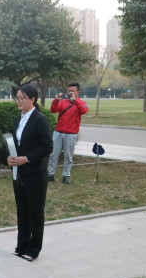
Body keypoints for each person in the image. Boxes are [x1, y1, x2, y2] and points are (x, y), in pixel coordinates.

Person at [7, 84, 53, 262]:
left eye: (22, 98)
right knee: (22, 211)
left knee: (35, 212)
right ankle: (21, 246)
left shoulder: (39, 120)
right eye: (17, 98)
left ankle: (33, 250)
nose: (18, 101)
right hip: (19, 173)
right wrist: (11, 158)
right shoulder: (17, 119)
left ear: (32, 99)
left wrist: (26, 159)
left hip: (35, 173)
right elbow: (16, 144)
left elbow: (47, 147)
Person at [48, 82, 89, 184]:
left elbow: (84, 110)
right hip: (58, 132)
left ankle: (66, 175)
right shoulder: (63, 101)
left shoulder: (81, 102)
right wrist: (56, 100)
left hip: (71, 133)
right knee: (53, 155)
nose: (70, 93)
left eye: (73, 91)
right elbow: (53, 110)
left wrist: (75, 101)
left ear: (78, 92)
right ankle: (50, 174)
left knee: (68, 156)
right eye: (69, 91)